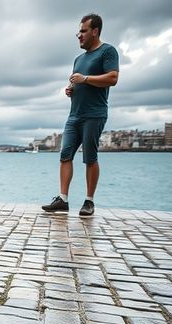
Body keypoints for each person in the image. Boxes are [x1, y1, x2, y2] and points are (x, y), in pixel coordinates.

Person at [42, 13, 119, 216]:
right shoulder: (78, 59)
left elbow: (112, 78)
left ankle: (89, 201)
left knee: (90, 158)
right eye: (79, 31)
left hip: (95, 114)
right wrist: (70, 90)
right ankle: (63, 200)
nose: (79, 35)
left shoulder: (108, 51)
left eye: (83, 31)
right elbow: (77, 83)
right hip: (74, 115)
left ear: (95, 31)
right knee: (65, 155)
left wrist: (84, 79)